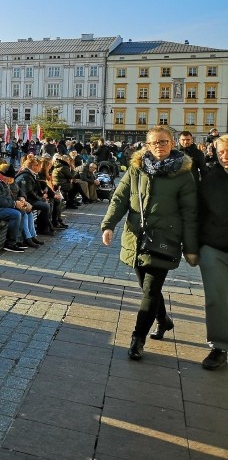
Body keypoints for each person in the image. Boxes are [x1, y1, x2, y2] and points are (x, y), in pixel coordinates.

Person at [101, 125, 198, 361]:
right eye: (154, 143)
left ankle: (137, 338)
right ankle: (163, 321)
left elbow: (190, 213)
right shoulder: (136, 168)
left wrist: (191, 248)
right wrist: (108, 225)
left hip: (167, 238)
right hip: (137, 237)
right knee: (147, 288)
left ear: (172, 143)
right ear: (147, 145)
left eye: (163, 142)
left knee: (151, 290)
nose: (159, 147)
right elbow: (120, 197)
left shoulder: (183, 174)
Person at [196, 134, 228, 370]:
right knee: (216, 299)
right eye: (221, 152)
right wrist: (193, 247)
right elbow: (196, 215)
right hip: (213, 246)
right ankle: (219, 346)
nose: (224, 156)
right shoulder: (209, 180)